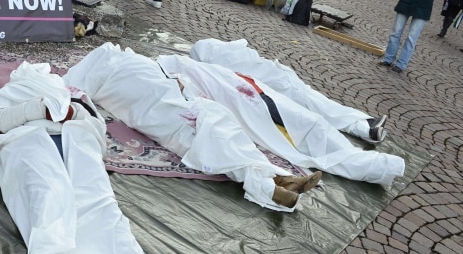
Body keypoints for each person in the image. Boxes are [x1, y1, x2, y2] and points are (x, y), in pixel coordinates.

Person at [0, 62, 190, 254]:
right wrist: (41, 109)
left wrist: (70, 112)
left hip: (76, 141)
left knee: (101, 202)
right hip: (29, 141)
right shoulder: (8, 94)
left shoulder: (71, 95)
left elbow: (94, 124)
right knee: (47, 197)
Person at [64, 43, 323, 213]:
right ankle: (268, 187)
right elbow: (74, 94)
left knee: (221, 122)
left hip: (175, 94)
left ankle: (281, 177)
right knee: (201, 137)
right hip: (153, 105)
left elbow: (168, 75)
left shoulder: (129, 58)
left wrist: (180, 84)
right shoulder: (94, 67)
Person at [156, 54, 406, 187]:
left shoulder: (194, 67)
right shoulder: (181, 73)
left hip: (253, 94)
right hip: (252, 99)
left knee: (308, 123)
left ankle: (373, 162)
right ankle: (374, 165)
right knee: (307, 126)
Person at [189, 38, 389, 143]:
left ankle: (363, 122)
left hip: (279, 78)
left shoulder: (220, 61)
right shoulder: (220, 65)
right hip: (277, 84)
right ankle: (363, 127)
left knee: (316, 101)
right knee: (315, 105)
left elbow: (243, 51)